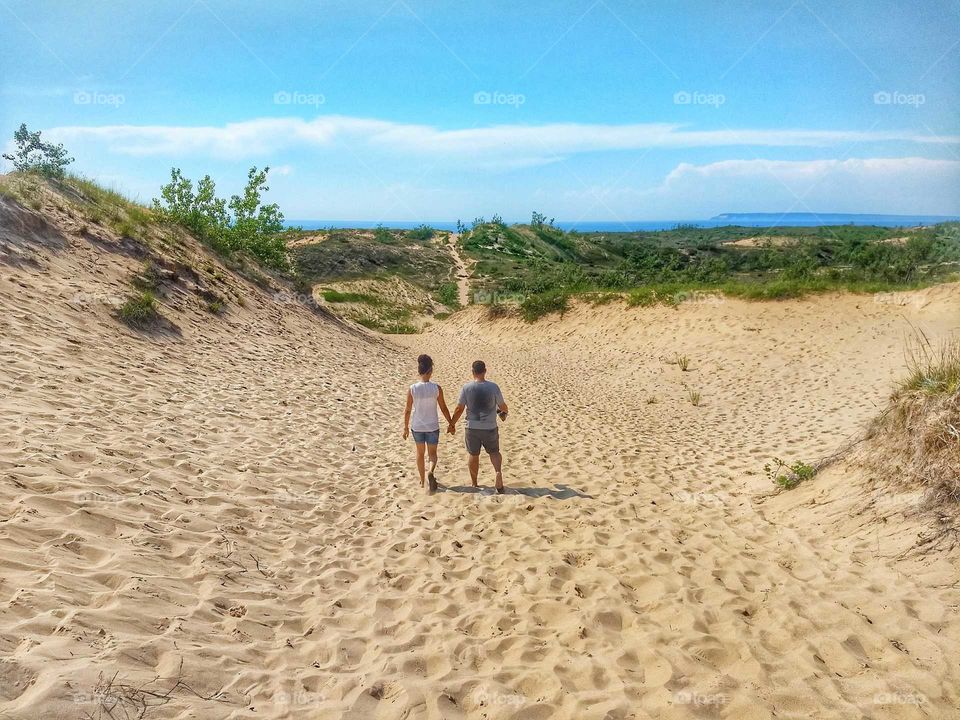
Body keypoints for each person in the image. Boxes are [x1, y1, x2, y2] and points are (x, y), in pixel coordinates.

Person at [449, 360, 508, 493]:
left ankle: (475, 483)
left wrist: (452, 424)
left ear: (473, 372)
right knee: (494, 452)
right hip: (490, 426)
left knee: (473, 454)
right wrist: (505, 413)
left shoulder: (466, 388)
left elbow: (459, 408)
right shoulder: (493, 387)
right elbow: (502, 406)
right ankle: (498, 472)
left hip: (472, 427)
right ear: (485, 371)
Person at [403, 354, 452, 493]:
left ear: (419, 371)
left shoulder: (412, 388)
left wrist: (405, 427)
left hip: (417, 426)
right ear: (430, 371)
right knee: (432, 454)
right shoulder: (436, 388)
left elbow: (407, 410)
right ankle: (430, 471)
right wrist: (450, 422)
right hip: (432, 426)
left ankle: (422, 480)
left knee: (419, 453)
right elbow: (443, 407)